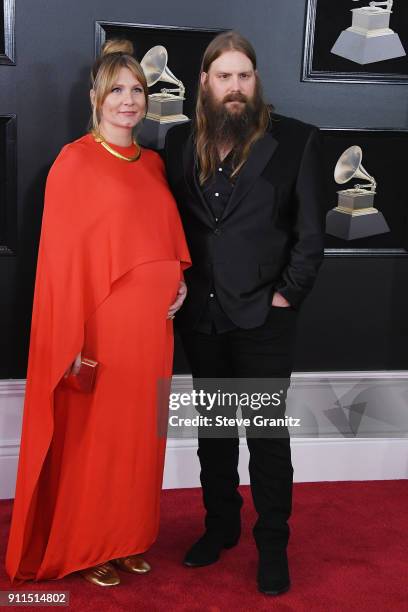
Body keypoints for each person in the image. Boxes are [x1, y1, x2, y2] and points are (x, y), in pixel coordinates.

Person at [6, 39, 191, 587]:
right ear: (95, 97)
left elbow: (164, 240)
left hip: (152, 331)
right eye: (117, 90)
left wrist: (177, 281)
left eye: (137, 90)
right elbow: (61, 263)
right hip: (102, 331)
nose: (129, 101)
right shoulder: (74, 162)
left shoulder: (155, 164)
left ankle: (129, 537)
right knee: (98, 440)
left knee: (140, 440)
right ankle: (91, 545)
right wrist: (74, 341)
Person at [164, 31, 325, 596]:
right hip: (201, 320)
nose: (236, 87)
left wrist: (285, 297)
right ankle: (220, 527)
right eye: (225, 76)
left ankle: (273, 544)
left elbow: (310, 238)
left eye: (245, 76)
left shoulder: (296, 140)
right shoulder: (178, 141)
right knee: (213, 434)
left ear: (256, 82)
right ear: (204, 83)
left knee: (265, 438)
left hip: (263, 319)